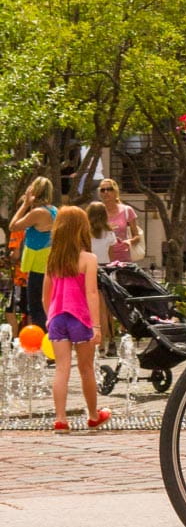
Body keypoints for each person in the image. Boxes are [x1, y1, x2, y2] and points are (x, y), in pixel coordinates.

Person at [43, 206, 110, 432]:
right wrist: (97, 326)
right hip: (80, 319)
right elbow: (91, 293)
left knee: (61, 369)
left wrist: (48, 318)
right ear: (82, 229)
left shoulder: (53, 259)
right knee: (86, 369)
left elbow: (46, 295)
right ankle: (93, 415)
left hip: (57, 318)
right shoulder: (88, 259)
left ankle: (61, 419)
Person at [10, 176, 57, 329]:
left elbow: (13, 226)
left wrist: (25, 204)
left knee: (37, 307)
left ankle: (44, 344)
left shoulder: (38, 212)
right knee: (46, 305)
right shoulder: (53, 210)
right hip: (47, 262)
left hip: (39, 265)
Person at [86, 201, 116, 352]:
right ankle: (110, 340)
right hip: (106, 268)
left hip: (91, 268)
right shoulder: (110, 232)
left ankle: (100, 343)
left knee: (95, 309)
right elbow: (110, 255)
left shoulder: (85, 232)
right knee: (107, 309)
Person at [96, 177, 141, 263]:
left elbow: (137, 236)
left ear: (115, 191)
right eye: (102, 190)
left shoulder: (127, 210)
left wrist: (129, 242)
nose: (106, 192)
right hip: (103, 259)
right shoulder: (97, 211)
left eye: (109, 189)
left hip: (123, 259)